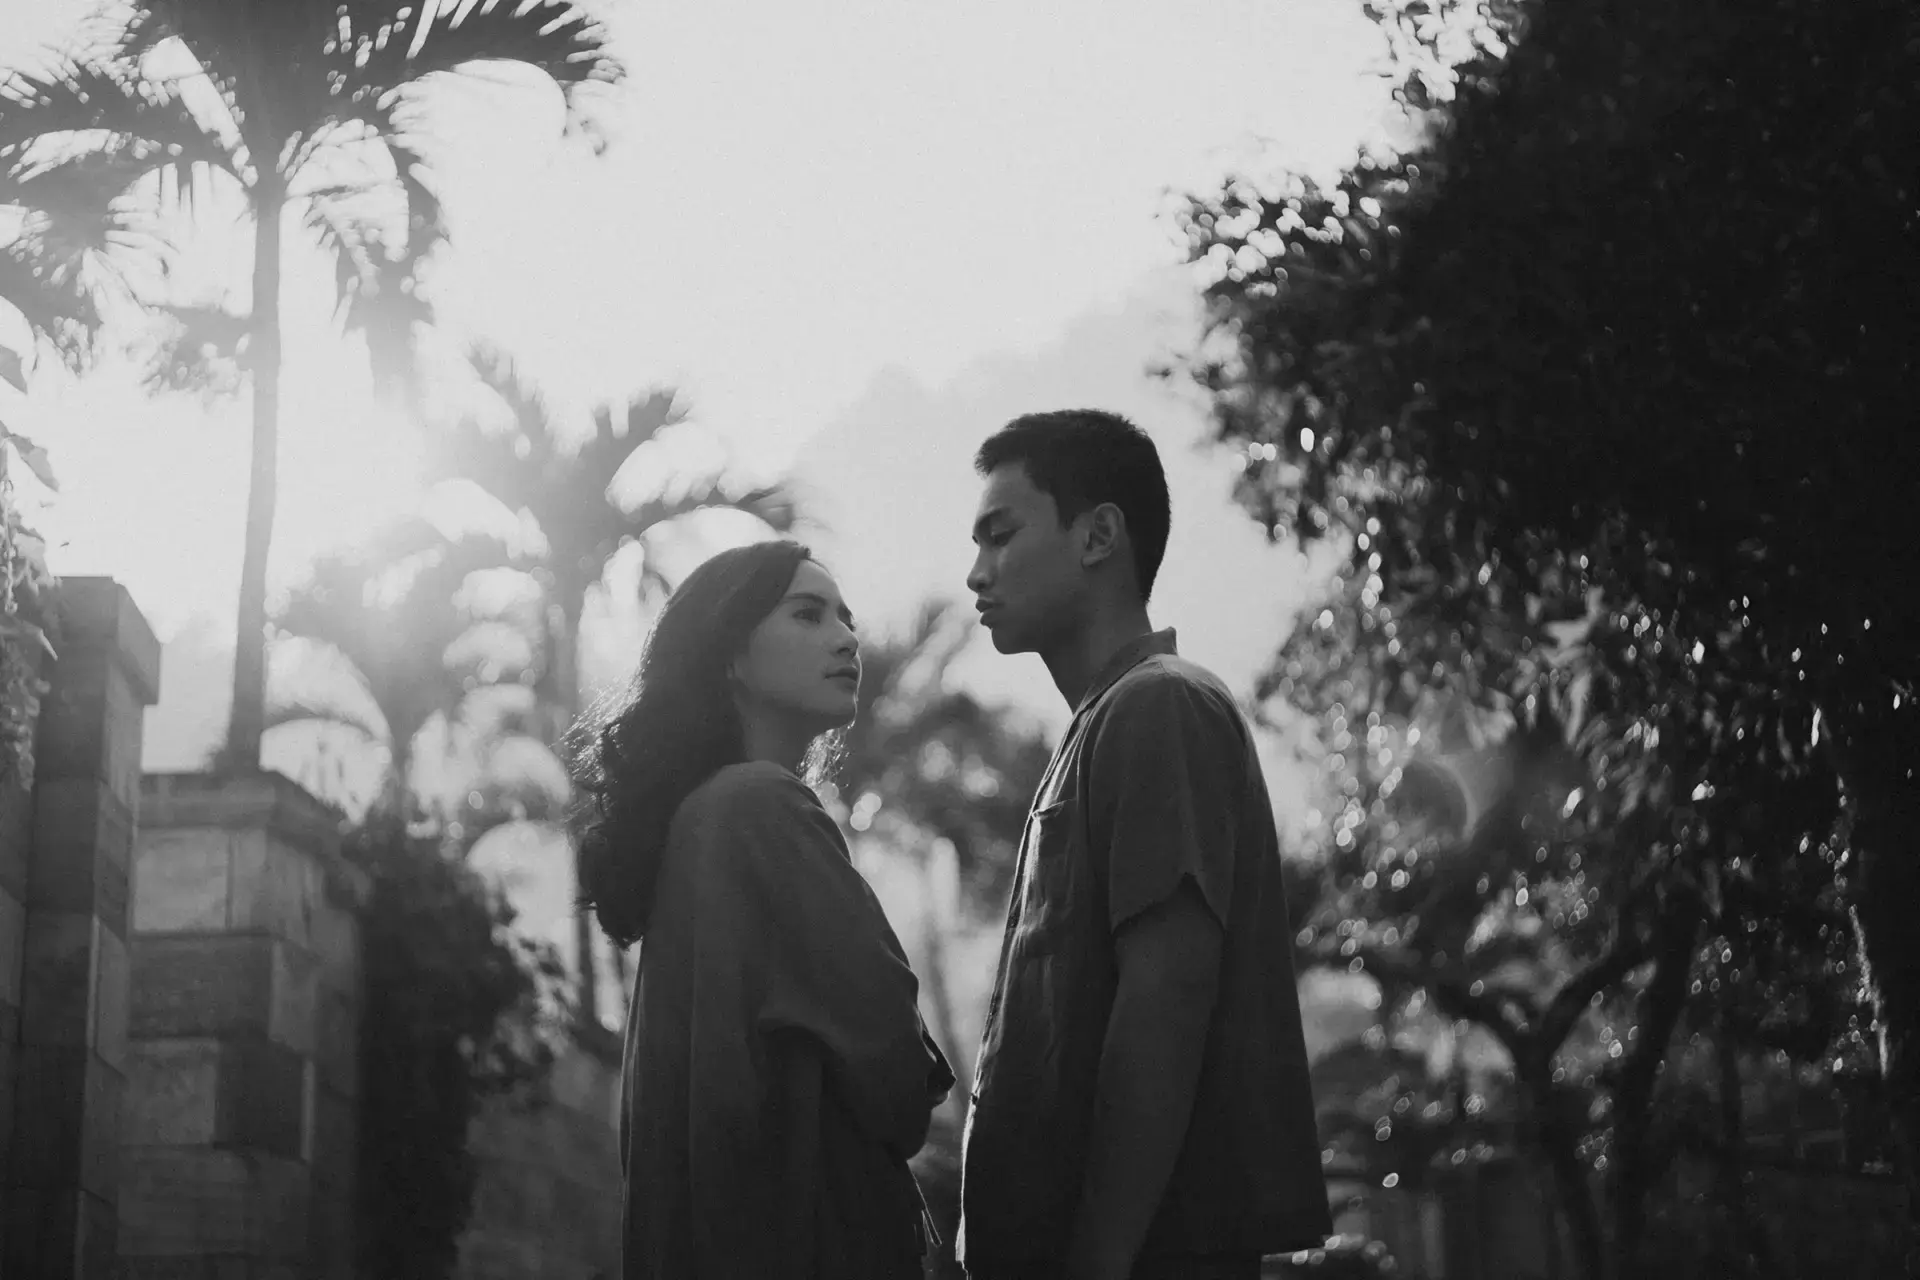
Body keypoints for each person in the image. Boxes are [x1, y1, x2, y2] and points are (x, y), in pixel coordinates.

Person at [957, 411, 1333, 1280]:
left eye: (1001, 535)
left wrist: (1100, 1259)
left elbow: (1166, 995)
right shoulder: (1100, 727)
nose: (977, 572)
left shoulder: (1159, 706)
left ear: (1098, 535)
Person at [567, 539, 954, 1280]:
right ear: (730, 656)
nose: (846, 638)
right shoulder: (760, 808)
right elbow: (898, 1081)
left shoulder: (702, 820)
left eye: (847, 618)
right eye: (808, 614)